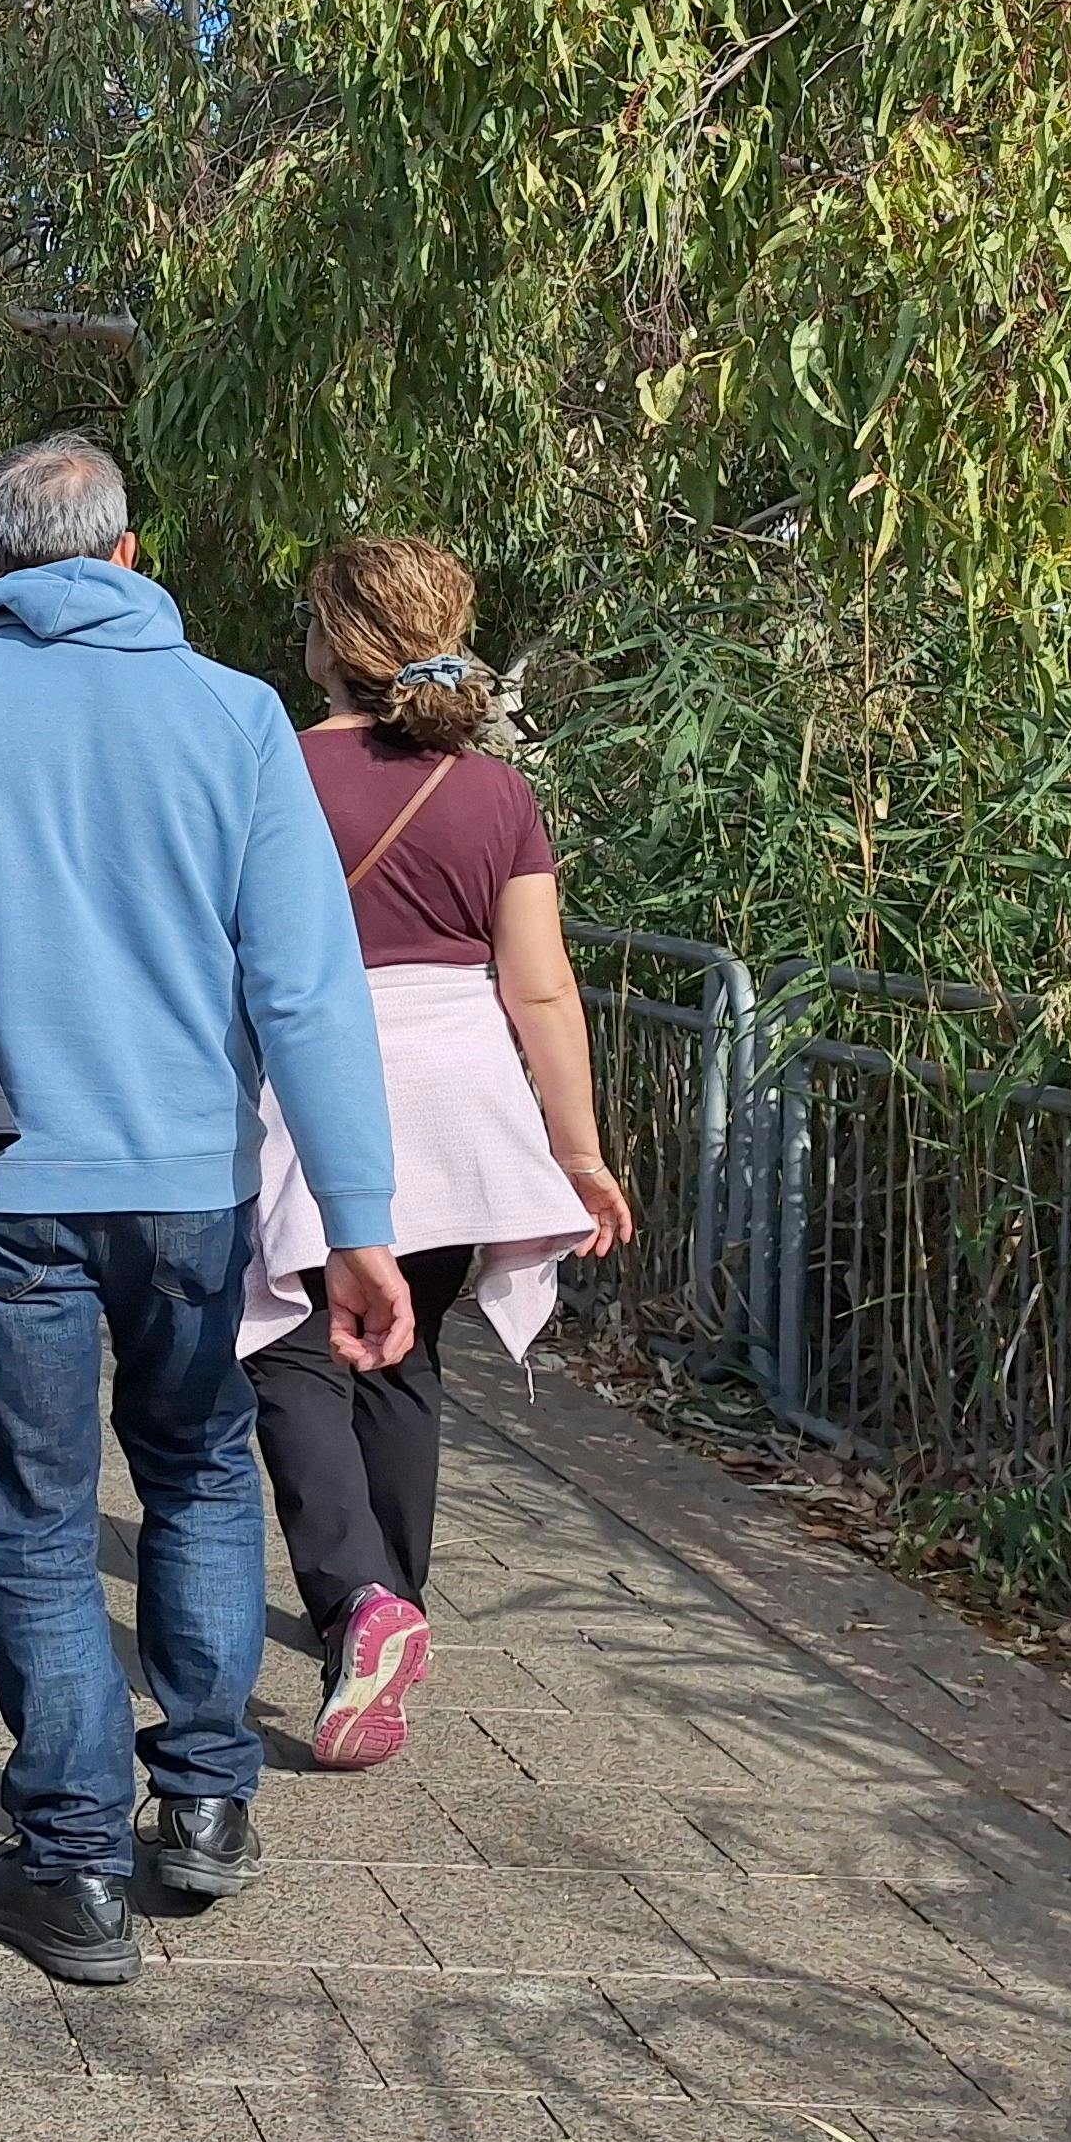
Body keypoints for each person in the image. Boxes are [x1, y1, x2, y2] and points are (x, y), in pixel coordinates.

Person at [0, 436, 414, 1989]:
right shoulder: (237, 714)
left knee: (34, 1511)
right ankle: (204, 1801)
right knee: (200, 1472)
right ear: (132, 558)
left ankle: (70, 1864)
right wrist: (360, 1220)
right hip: (194, 1181)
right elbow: (305, 987)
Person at [241, 537, 633, 1768]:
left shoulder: (270, 769)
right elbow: (545, 991)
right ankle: (388, 1609)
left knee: (292, 1352)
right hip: (464, 1100)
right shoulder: (496, 793)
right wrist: (579, 1153)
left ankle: (363, 1602)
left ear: (329, 638)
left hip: (313, 1088)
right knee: (408, 1360)